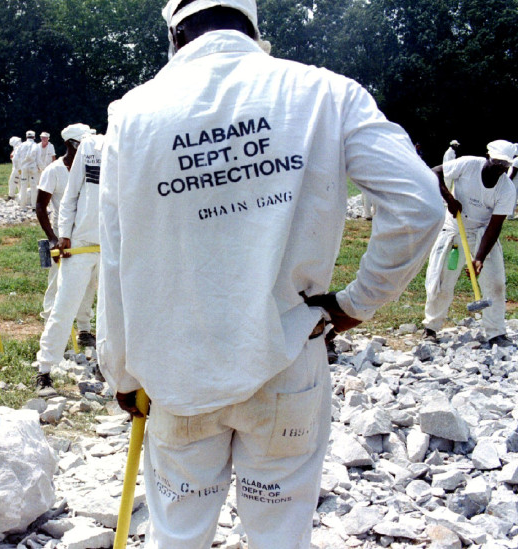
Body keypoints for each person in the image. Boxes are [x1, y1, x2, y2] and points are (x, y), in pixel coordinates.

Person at [97, 1, 444, 547]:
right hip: (286, 358)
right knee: (280, 533)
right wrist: (356, 302)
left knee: (178, 533)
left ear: (174, 34)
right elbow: (420, 205)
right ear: (254, 29)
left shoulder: (133, 114)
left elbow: (115, 257)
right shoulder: (324, 93)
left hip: (179, 369)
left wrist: (121, 372)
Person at [423, 140, 516, 348]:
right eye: (497, 162)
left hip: (483, 234)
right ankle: (431, 328)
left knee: (495, 283)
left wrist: (480, 258)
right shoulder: (468, 164)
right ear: (488, 156)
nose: (500, 168)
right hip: (455, 230)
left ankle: (496, 332)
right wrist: (449, 198)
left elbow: (495, 226)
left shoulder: (507, 189)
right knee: (441, 282)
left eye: (505, 165)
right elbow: (434, 172)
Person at [35, 130, 104, 391]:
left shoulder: (114, 152)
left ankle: (106, 365)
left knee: (109, 311)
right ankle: (44, 369)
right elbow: (68, 200)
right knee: (63, 307)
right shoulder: (72, 164)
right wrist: (62, 235)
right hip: (79, 245)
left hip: (107, 245)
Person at [35, 124, 96, 337]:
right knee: (58, 283)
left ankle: (84, 329)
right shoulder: (55, 171)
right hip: (64, 239)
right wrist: (53, 238)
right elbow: (40, 206)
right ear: (72, 144)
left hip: (88, 236)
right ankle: (50, 328)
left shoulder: (92, 167)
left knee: (89, 283)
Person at [18, 130, 39, 210]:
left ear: (26, 136)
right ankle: (34, 206)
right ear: (34, 137)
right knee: (33, 186)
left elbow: (16, 157)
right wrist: (41, 168)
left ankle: (22, 206)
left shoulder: (21, 145)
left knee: (23, 186)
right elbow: (38, 159)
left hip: (24, 168)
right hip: (33, 168)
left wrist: (19, 167)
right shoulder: (36, 146)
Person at [7, 136, 22, 200]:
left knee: (12, 181)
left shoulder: (17, 148)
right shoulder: (20, 147)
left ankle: (11, 195)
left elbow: (15, 159)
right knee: (20, 182)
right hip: (20, 168)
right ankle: (21, 195)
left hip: (17, 168)